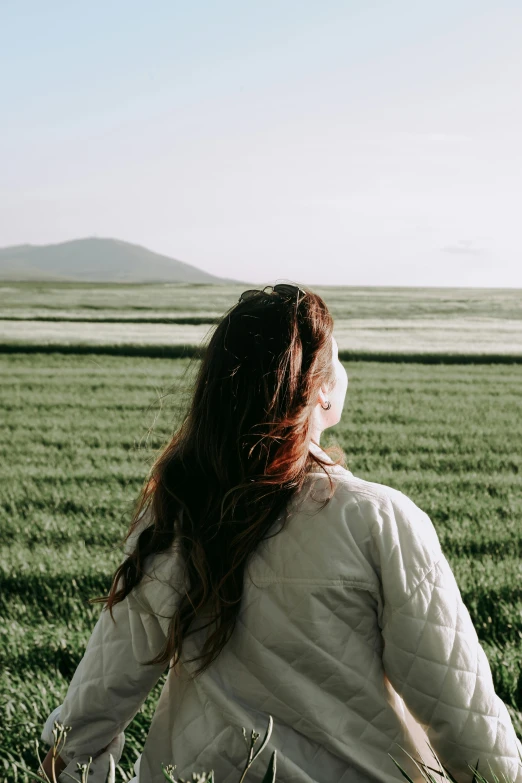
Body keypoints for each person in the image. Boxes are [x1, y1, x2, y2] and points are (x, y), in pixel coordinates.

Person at [38, 282, 522, 783]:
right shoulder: (380, 520)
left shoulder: (174, 520)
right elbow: (465, 719)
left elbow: (81, 725)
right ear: (320, 390)